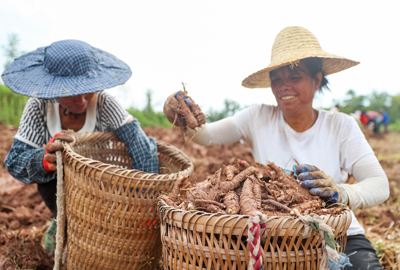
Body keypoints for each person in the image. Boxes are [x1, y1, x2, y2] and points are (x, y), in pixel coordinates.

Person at [164, 26, 389, 269]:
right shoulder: (258, 118)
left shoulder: (340, 125)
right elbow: (206, 136)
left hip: (336, 234)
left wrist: (342, 193)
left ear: (317, 80)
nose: (284, 87)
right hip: (277, 237)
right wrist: (179, 113)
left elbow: (379, 184)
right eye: (277, 79)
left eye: (295, 77)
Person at [2, 39, 159, 254]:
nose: (83, 99)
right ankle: (62, 222)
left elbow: (141, 145)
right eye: (72, 92)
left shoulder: (104, 103)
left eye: (89, 90)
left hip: (104, 186)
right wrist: (44, 160)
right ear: (53, 88)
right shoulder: (39, 106)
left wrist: (145, 199)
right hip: (62, 190)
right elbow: (15, 161)